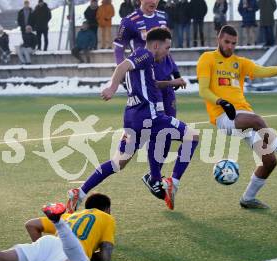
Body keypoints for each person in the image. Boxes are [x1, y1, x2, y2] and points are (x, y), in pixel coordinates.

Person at [66, 28, 198, 213]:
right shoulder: (145, 54)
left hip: (132, 118)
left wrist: (170, 83)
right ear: (156, 45)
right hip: (149, 116)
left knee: (117, 162)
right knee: (192, 137)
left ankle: (78, 193)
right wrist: (112, 88)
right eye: (167, 48)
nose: (168, 53)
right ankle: (171, 183)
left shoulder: (146, 63)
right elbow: (122, 66)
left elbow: (151, 85)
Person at [196, 25, 277, 209]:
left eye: (233, 43)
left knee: (270, 161)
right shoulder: (207, 58)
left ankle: (248, 198)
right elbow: (204, 90)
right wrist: (221, 101)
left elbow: (260, 70)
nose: (230, 46)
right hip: (224, 116)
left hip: (244, 114)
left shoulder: (240, 62)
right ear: (218, 40)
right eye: (226, 42)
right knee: (257, 121)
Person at [112, 0, 183, 199]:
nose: (153, 1)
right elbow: (119, 47)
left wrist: (175, 71)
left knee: (168, 130)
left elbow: (166, 47)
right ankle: (153, 174)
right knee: (154, 129)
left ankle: (154, 177)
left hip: (165, 81)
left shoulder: (162, 17)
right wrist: (125, 76)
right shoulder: (129, 21)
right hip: (148, 84)